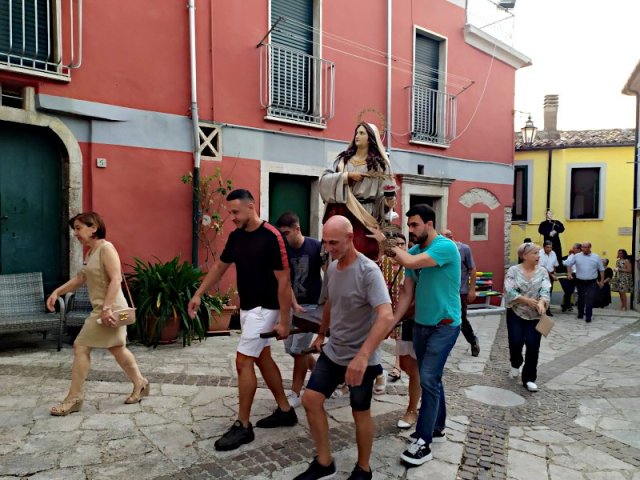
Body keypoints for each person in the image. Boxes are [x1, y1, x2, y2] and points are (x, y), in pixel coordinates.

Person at [188, 189, 296, 451]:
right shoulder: (236, 237)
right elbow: (219, 267)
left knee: (243, 361)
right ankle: (285, 410)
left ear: (251, 207)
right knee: (262, 357)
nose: (232, 217)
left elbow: (284, 281)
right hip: (248, 308)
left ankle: (243, 425)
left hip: (267, 308)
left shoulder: (273, 237)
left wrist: (284, 320)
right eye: (230, 212)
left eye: (236, 212)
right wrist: (199, 294)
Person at [295, 216, 395, 480]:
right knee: (310, 400)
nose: (328, 248)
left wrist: (362, 357)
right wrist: (321, 333)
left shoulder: (368, 271)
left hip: (363, 357)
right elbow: (329, 302)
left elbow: (386, 316)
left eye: (334, 243)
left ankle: (364, 469)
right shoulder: (332, 267)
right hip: (335, 350)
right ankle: (324, 461)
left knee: (359, 410)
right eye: (325, 242)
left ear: (351, 239)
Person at [374, 204, 461, 466]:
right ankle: (438, 427)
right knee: (432, 378)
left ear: (430, 224)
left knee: (429, 379)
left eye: (415, 225)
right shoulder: (413, 250)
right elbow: (407, 294)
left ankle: (424, 441)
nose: (410, 230)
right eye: (408, 225)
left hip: (444, 325)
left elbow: (409, 262)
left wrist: (385, 241)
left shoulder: (444, 247)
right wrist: (392, 321)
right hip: (421, 324)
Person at [46, 212, 149, 416]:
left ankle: (73, 398)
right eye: (74, 229)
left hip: (109, 309)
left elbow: (116, 279)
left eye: (78, 228)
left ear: (93, 227)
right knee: (118, 349)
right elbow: (79, 279)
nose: (75, 233)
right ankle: (141, 383)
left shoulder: (106, 248)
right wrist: (57, 291)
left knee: (80, 346)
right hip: (103, 309)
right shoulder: (91, 252)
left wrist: (107, 308)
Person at [319, 122, 396, 260]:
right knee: (340, 252)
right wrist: (347, 177)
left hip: (366, 213)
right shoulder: (343, 160)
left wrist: (388, 201)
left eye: (362, 133)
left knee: (362, 252)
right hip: (343, 210)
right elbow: (324, 180)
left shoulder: (381, 165)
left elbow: (384, 193)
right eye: (356, 133)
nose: (357, 136)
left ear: (370, 138)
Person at [275, 212, 323, 408]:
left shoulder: (316, 247)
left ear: (297, 229)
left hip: (312, 306)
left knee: (300, 351)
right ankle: (324, 376)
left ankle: (295, 392)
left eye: (286, 233)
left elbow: (330, 272)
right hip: (290, 306)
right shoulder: (282, 251)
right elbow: (283, 280)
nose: (284, 238)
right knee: (292, 350)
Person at [504, 242, 551, 393]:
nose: (538, 256)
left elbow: (546, 289)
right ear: (524, 256)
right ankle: (516, 363)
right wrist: (526, 300)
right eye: (535, 253)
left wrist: (542, 303)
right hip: (516, 312)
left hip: (536, 315)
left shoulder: (543, 271)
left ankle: (529, 379)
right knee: (515, 342)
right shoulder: (513, 270)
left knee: (533, 346)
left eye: (539, 253)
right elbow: (509, 290)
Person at [443, 229, 480, 356]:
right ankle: (444, 346)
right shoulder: (440, 250)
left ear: (450, 237)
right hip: (444, 291)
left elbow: (472, 269)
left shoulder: (464, 249)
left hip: (461, 291)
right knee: (444, 318)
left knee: (461, 319)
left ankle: (473, 341)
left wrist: (472, 289)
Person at [563, 241, 605, 323]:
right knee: (581, 299)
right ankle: (580, 313)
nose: (583, 249)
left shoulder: (596, 257)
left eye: (585, 247)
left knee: (590, 299)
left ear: (590, 247)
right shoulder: (577, 256)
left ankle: (588, 316)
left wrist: (602, 281)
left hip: (592, 282)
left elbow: (601, 270)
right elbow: (569, 264)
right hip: (580, 281)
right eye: (582, 247)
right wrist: (569, 273)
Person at [538, 240, 559, 316]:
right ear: (544, 247)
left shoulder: (553, 253)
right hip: (542, 275)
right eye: (548, 247)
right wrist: (552, 275)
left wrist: (555, 273)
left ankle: (547, 310)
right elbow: (543, 267)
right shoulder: (540, 253)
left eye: (551, 247)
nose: (549, 249)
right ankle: (541, 309)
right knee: (542, 292)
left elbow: (554, 265)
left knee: (549, 292)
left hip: (550, 275)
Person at [559, 243, 581, 312]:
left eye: (574, 248)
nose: (573, 249)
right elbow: (567, 263)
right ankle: (566, 305)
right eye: (573, 248)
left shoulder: (582, 256)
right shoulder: (571, 255)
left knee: (580, 291)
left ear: (579, 249)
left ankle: (571, 305)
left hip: (580, 275)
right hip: (572, 275)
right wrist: (559, 261)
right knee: (569, 291)